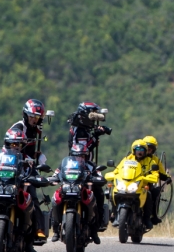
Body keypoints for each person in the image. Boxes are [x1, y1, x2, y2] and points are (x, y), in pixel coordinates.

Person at [67, 102, 112, 230]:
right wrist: (95, 137)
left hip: (84, 164)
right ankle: (57, 224)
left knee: (98, 189)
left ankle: (96, 224)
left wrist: (99, 132)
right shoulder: (79, 131)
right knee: (97, 191)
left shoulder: (82, 128)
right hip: (80, 164)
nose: (94, 118)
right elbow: (84, 150)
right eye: (92, 115)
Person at [10, 99, 48, 243]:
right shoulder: (18, 127)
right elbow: (9, 147)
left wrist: (38, 157)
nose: (33, 119)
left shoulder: (36, 130)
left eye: (36, 117)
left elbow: (32, 151)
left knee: (31, 195)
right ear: (25, 114)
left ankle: (37, 230)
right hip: (13, 167)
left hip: (28, 169)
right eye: (31, 116)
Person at [50, 142, 101, 244]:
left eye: (82, 155)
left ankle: (94, 231)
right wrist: (52, 178)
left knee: (94, 200)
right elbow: (56, 173)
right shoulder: (65, 164)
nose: (79, 157)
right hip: (66, 187)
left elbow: (98, 175)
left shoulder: (90, 165)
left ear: (86, 155)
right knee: (55, 199)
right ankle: (55, 229)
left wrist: (98, 178)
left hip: (83, 189)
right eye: (76, 155)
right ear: (72, 155)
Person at [110, 139, 159, 230]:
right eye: (137, 149)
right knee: (112, 192)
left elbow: (155, 175)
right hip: (127, 184)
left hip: (142, 186)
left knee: (149, 194)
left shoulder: (150, 161)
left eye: (142, 150)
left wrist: (145, 178)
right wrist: (113, 175)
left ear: (145, 151)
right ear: (133, 150)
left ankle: (146, 219)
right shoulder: (127, 158)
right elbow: (117, 171)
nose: (139, 152)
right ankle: (115, 214)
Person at [142, 135, 172, 225]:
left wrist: (167, 178)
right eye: (146, 148)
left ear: (153, 150)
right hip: (132, 184)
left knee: (155, 193)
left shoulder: (155, 160)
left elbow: (161, 174)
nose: (147, 151)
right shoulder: (133, 157)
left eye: (150, 149)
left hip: (146, 185)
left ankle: (153, 216)